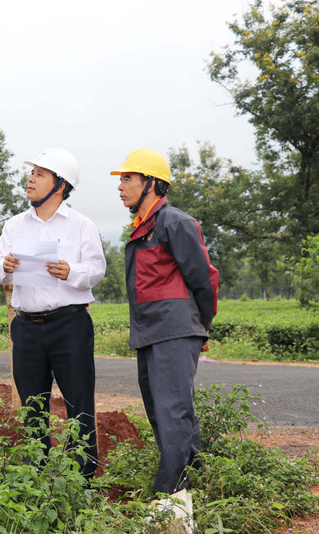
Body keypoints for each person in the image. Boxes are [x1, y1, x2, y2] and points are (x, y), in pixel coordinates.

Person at [110, 148, 219, 530]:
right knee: (162, 410)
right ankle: (198, 481)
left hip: (174, 330)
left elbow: (203, 277)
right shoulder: (143, 226)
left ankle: (167, 499)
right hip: (150, 332)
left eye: (128, 179)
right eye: (120, 180)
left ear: (151, 183)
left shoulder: (175, 222)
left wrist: (201, 325)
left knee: (172, 412)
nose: (120, 187)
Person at [0, 148, 106, 478]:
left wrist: (71, 271)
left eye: (41, 174)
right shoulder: (14, 225)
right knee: (31, 408)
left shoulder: (81, 226)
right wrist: (6, 268)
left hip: (69, 324)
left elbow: (97, 269)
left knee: (79, 405)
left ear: (60, 185)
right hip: (26, 326)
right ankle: (36, 478)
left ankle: (82, 479)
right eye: (32, 173)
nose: (31, 179)